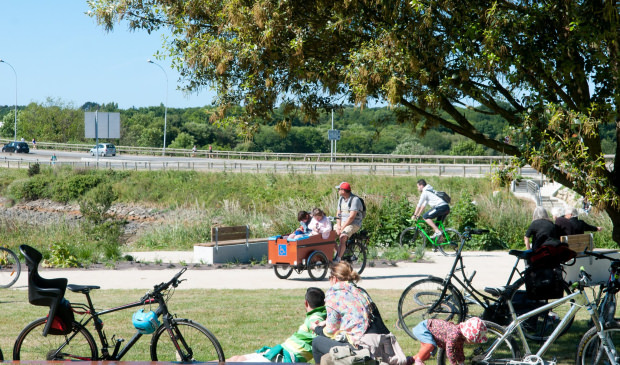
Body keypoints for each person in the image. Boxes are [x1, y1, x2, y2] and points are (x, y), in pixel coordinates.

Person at [227, 287, 327, 363]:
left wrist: (318, 325)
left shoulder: (316, 318)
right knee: (235, 359)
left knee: (237, 362)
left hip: (285, 358)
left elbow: (318, 329)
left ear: (306, 303)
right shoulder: (318, 315)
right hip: (280, 352)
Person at [310, 262, 372, 363]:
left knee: (317, 342)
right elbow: (351, 316)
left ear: (334, 278)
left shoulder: (334, 294)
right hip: (371, 341)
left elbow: (330, 332)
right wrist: (325, 322)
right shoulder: (360, 291)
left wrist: (316, 328)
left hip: (356, 345)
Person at [410, 317, 488, 365]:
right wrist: (453, 363)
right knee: (429, 346)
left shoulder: (460, 337)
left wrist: (461, 362)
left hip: (427, 328)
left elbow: (458, 350)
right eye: (474, 340)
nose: (474, 343)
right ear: (468, 335)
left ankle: (407, 361)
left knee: (426, 355)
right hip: (425, 328)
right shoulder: (455, 334)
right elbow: (449, 350)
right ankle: (418, 361)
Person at [334, 182, 364, 263]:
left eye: (339, 189)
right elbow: (338, 214)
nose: (338, 191)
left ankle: (338, 259)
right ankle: (339, 253)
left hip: (354, 223)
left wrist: (342, 228)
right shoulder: (341, 199)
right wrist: (339, 226)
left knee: (342, 237)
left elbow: (352, 217)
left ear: (343, 191)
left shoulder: (355, 200)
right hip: (342, 223)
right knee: (328, 236)